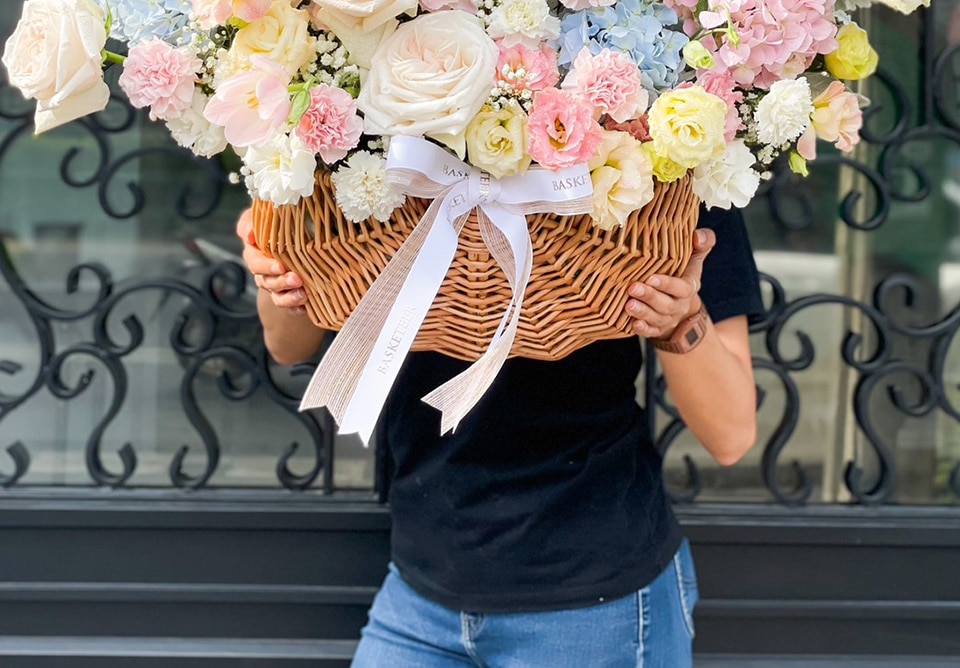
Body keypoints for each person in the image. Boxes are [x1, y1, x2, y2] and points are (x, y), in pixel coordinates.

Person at [237, 202, 763, 668]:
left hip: (593, 602)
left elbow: (731, 432)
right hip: (422, 588)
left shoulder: (674, 168)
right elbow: (288, 345)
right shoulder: (359, 149)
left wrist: (679, 320)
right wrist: (279, 277)